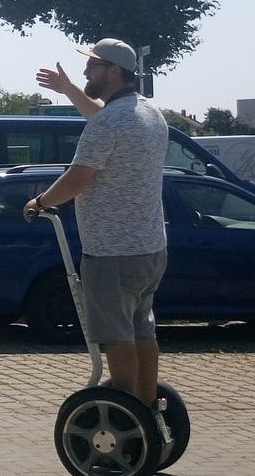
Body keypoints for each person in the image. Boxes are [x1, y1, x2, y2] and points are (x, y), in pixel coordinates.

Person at [25, 39, 169, 407]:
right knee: (142, 330)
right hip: (150, 247)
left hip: (112, 251)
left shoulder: (108, 123)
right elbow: (103, 118)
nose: (86, 71)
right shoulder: (149, 113)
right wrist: (70, 89)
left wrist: (41, 201)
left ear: (114, 72)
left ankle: (124, 408)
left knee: (116, 335)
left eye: (93, 66)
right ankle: (148, 406)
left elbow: (78, 178)